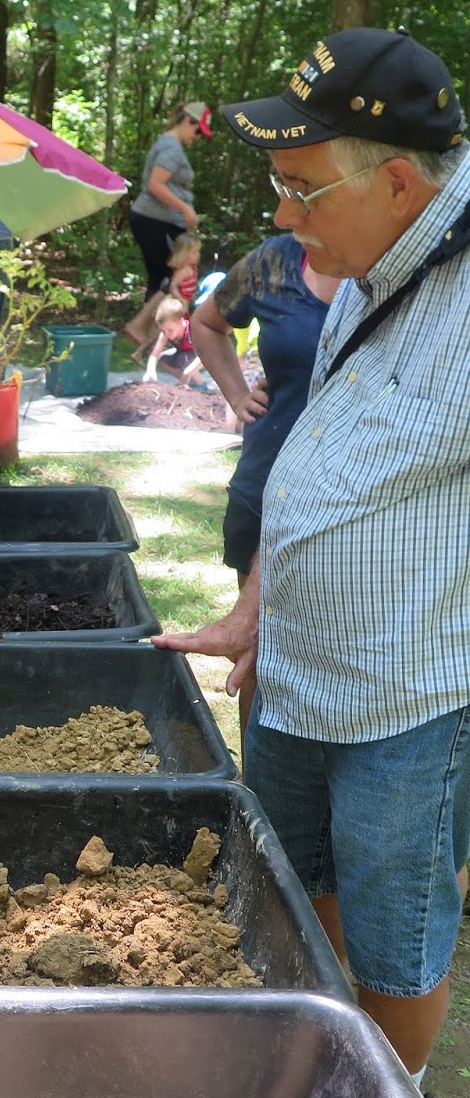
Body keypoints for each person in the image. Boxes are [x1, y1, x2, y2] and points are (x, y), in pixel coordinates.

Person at [153, 27, 470, 1090]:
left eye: (301, 188)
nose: (283, 218)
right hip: (295, 675)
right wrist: (257, 605)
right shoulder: (367, 264)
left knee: (396, 934)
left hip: (407, 699)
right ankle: (319, 1068)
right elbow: (320, 456)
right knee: (297, 888)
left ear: (397, 182)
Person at [189, 235, 339, 737]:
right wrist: (238, 396)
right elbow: (206, 322)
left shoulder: (397, 265)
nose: (289, 212)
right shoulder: (277, 259)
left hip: (358, 498)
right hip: (265, 482)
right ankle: (257, 781)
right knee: (260, 653)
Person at [124, 101, 211, 344]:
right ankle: (148, 332)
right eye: (197, 131)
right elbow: (155, 184)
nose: (197, 137)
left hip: (157, 220)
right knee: (169, 279)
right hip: (155, 221)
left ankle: (149, 334)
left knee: (162, 278)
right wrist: (185, 208)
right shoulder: (171, 148)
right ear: (188, 121)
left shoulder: (168, 144)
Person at [126, 231, 201, 351]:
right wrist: (179, 298)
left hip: (186, 301)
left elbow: (191, 285)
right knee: (172, 325)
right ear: (185, 254)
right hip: (178, 302)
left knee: (182, 326)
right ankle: (153, 347)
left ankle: (179, 346)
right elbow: (173, 286)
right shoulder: (182, 271)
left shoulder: (193, 268)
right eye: (194, 252)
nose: (198, 255)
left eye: (198, 252)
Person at [141, 297, 203, 384]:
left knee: (183, 359)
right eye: (163, 331)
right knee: (162, 357)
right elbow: (154, 354)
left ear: (181, 321)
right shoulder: (166, 333)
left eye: (170, 330)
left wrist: (189, 371)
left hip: (198, 357)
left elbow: (205, 355)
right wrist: (150, 370)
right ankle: (183, 380)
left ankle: (200, 383)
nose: (167, 334)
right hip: (183, 353)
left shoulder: (192, 331)